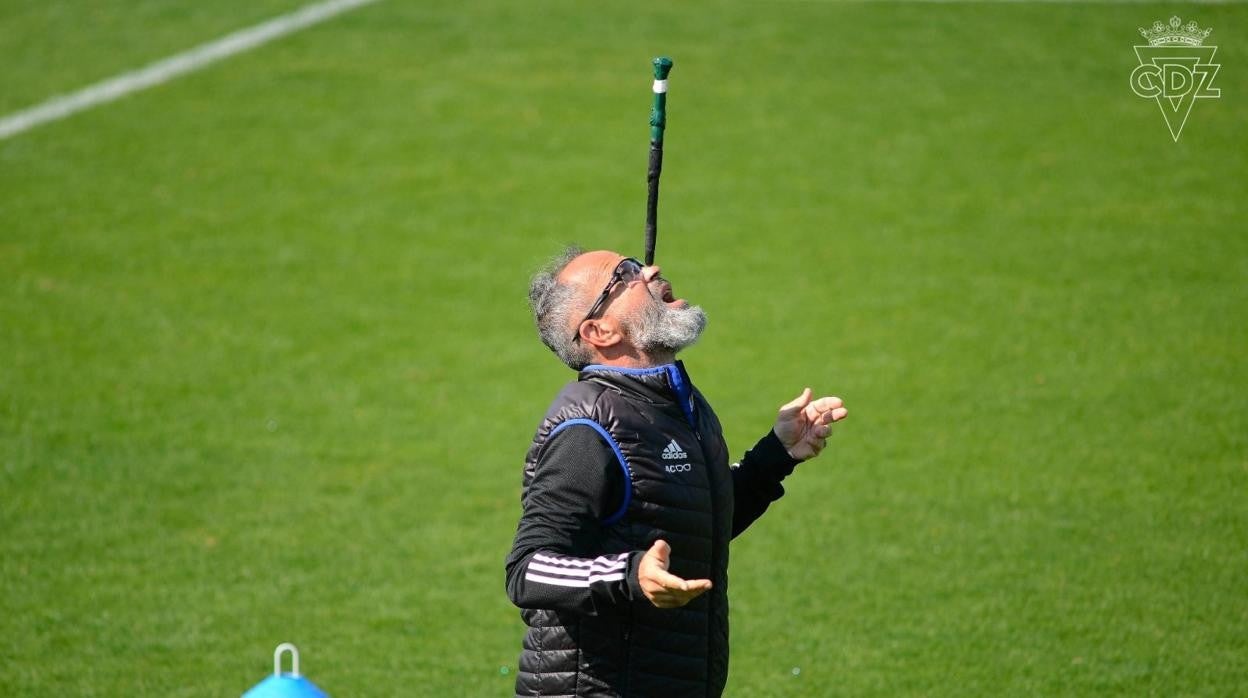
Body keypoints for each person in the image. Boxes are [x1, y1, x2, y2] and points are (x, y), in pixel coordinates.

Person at [505, 247, 848, 697]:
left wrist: (776, 455)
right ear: (600, 331)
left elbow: (693, 523)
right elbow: (527, 570)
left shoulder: (676, 407)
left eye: (636, 261)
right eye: (624, 275)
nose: (651, 270)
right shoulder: (586, 428)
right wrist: (629, 576)